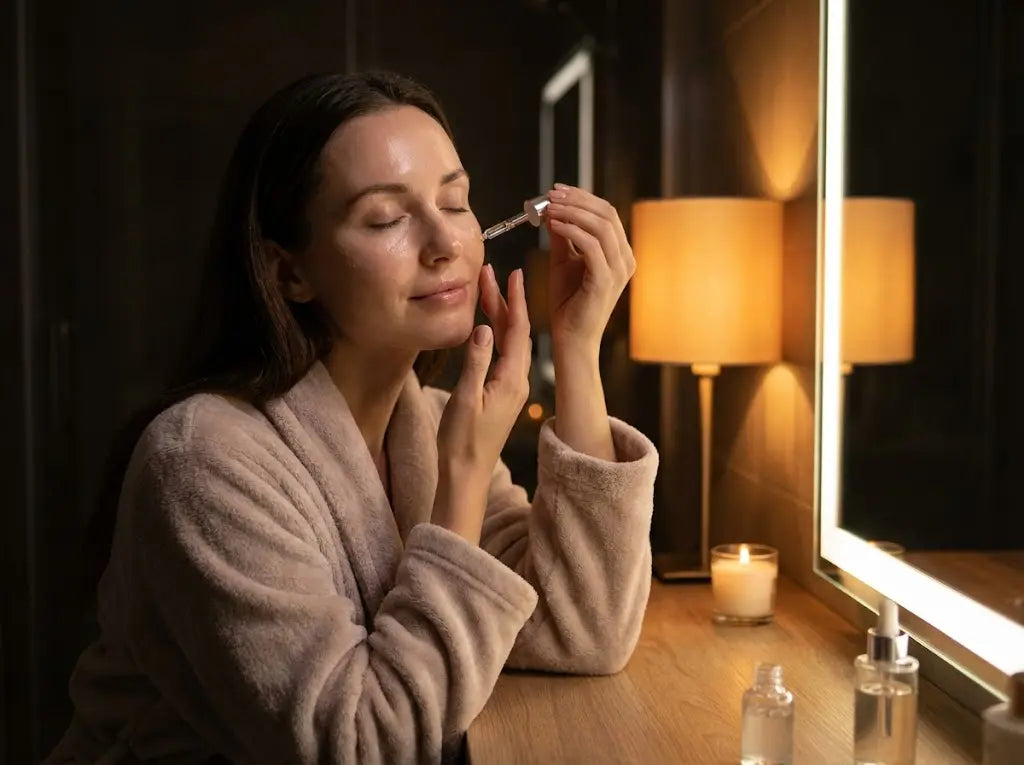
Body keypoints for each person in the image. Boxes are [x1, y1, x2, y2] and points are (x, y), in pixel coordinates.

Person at [45, 70, 658, 765]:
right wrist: (464, 475)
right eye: (386, 218)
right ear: (288, 272)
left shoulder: (423, 424)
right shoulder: (201, 461)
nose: (445, 242)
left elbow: (581, 628)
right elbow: (362, 745)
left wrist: (577, 347)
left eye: (455, 202)